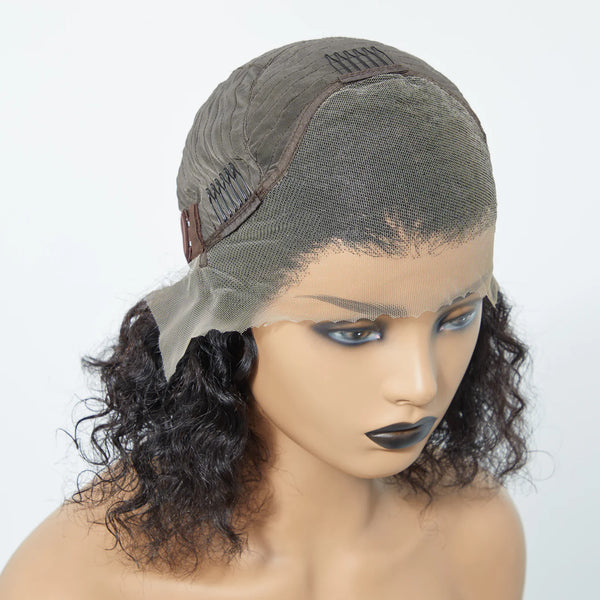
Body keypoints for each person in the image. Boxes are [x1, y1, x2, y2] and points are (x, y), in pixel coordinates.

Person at [0, 36, 531, 599]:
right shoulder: (73, 584)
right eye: (354, 332)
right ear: (228, 313)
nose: (421, 384)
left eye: (457, 317)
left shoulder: (476, 538)